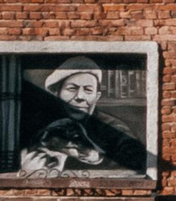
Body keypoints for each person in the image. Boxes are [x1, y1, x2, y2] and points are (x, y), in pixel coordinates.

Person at [19, 58, 148, 176]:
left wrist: (97, 158)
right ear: (56, 94)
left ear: (97, 97)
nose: (80, 97)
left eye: (88, 90)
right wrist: (27, 172)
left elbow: (138, 164)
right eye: (72, 89)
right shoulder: (36, 125)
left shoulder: (114, 128)